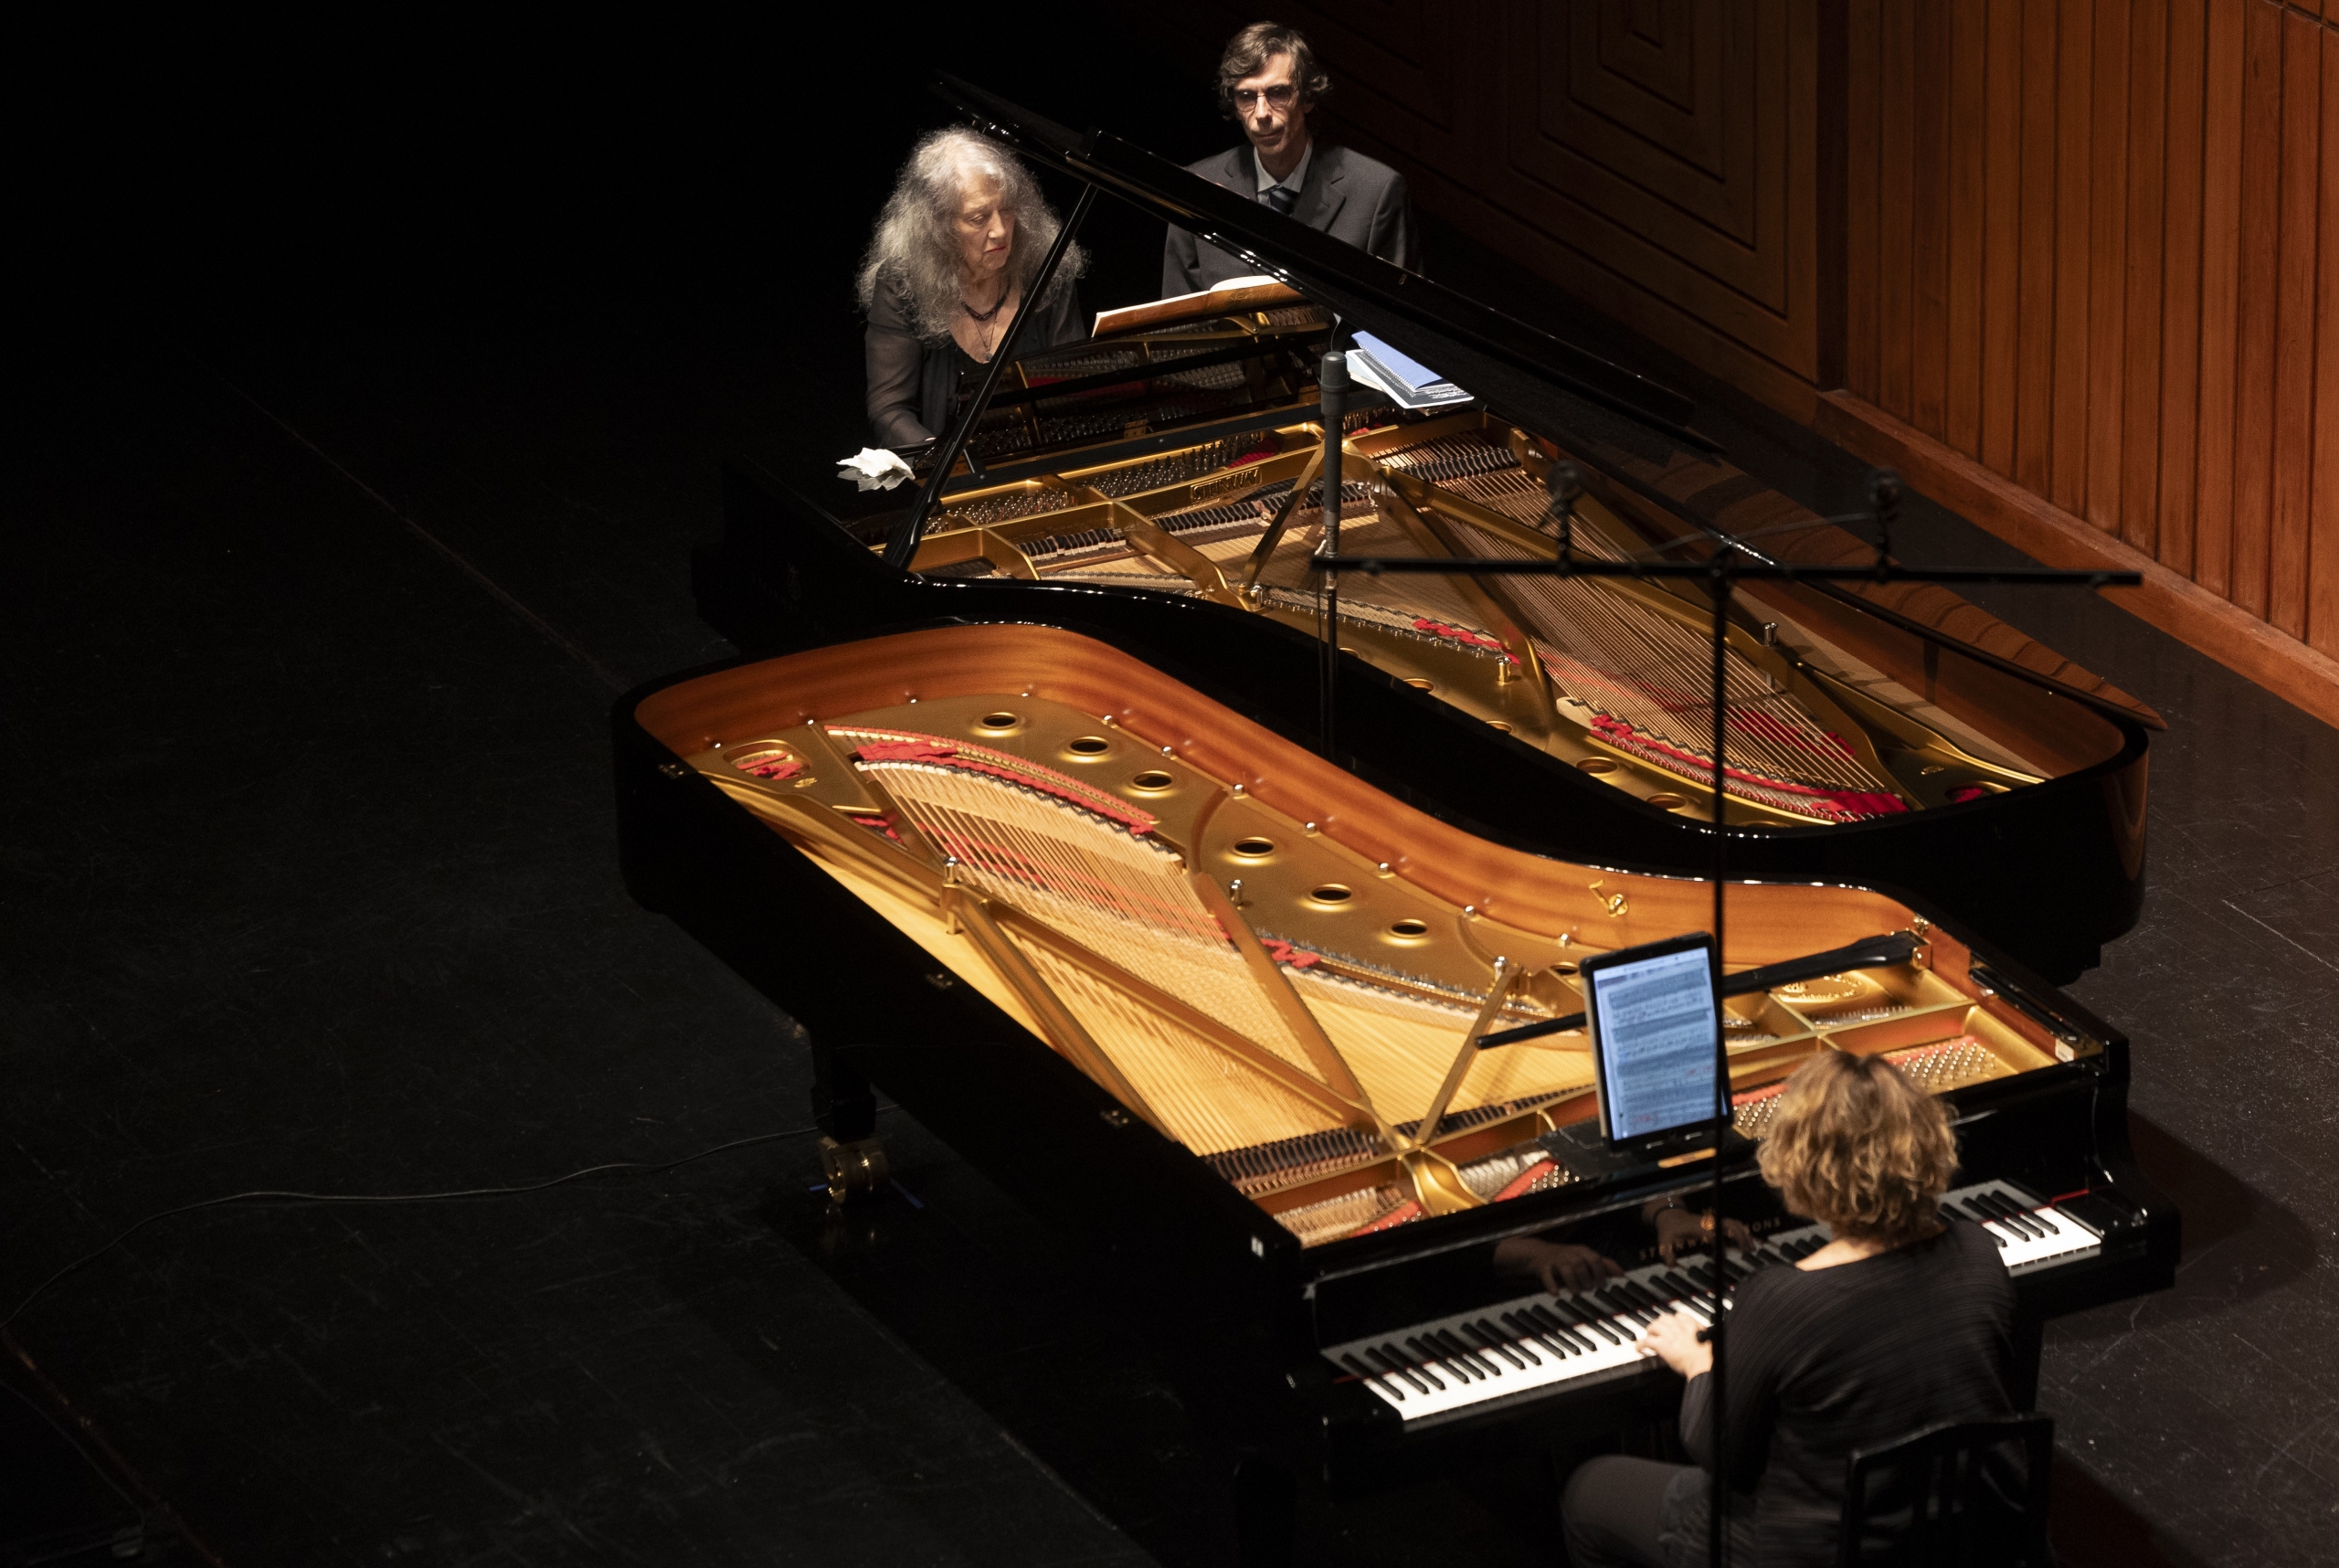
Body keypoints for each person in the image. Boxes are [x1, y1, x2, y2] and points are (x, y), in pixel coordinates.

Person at [1561, 1050, 2019, 1567]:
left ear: (1803, 1166)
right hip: (1964, 1539)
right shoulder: (1978, 1252)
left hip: (1820, 1552)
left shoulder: (1784, 1299)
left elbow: (1720, 1452)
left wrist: (1697, 1363)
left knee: (1587, 1492)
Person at [858, 127, 1086, 449]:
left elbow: (1076, 391)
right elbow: (889, 410)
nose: (1000, 230)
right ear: (939, 226)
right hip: (944, 466)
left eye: (1006, 209)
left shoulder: (1047, 268)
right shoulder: (902, 284)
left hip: (1042, 458)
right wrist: (943, 461)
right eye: (979, 218)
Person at [1161, 21, 1420, 297]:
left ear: (1308, 98)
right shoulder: (1193, 188)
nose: (1262, 113)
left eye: (1278, 94)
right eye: (1247, 97)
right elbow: (1179, 319)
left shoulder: (1376, 192)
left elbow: (1399, 318)